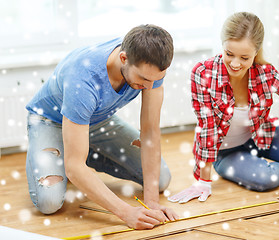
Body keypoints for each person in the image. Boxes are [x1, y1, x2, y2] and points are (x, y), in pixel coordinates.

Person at [168, 12, 279, 204]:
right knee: (265, 180)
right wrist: (203, 180)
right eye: (229, 54)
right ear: (222, 45)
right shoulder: (203, 73)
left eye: (244, 58)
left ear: (256, 52)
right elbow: (207, 128)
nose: (235, 64)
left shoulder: (266, 74)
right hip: (226, 152)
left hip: (265, 135)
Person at [25, 24, 179, 229]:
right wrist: (126, 213)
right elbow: (74, 167)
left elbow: (150, 132)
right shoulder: (83, 78)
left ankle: (79, 152)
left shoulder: (150, 69)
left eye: (157, 80)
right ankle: (67, 154)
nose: (150, 87)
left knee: (160, 180)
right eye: (143, 79)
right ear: (124, 58)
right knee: (49, 202)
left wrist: (151, 203)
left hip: (98, 121)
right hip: (50, 122)